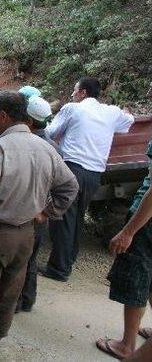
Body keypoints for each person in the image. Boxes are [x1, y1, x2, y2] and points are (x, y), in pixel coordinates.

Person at [0, 91, 79, 361]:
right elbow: (70, 185)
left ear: (3, 116)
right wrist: (46, 212)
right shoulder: (47, 147)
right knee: (9, 292)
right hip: (28, 233)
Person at [41, 77, 135, 282]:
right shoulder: (111, 112)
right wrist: (126, 112)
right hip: (94, 175)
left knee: (62, 219)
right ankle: (68, 261)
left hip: (71, 169)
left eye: (74, 90)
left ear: (83, 92)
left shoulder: (73, 109)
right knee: (76, 219)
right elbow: (129, 120)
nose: (72, 94)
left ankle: (58, 269)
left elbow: (50, 132)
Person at [95, 82, 152, 360]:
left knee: (136, 275)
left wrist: (129, 230)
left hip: (147, 219)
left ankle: (127, 344)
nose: (150, 92)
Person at [16, 96, 60, 314]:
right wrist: (48, 212)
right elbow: (66, 185)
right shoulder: (53, 146)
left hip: (24, 212)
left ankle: (14, 303)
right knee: (31, 259)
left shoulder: (27, 145)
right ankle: (28, 299)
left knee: (17, 261)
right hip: (39, 213)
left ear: (29, 121)